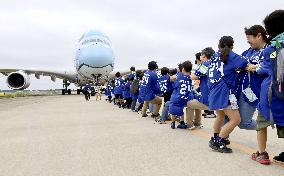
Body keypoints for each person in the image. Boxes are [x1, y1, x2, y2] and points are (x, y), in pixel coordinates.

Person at [208, 36, 256, 153]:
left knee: (220, 116)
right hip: (225, 93)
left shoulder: (214, 57)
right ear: (232, 46)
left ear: (219, 45)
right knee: (236, 119)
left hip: (214, 92)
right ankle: (219, 141)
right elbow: (244, 62)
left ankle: (215, 137)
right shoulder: (231, 56)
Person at [251, 10, 284, 165]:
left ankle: (262, 153)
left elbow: (266, 68)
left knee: (261, 123)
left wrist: (254, 68)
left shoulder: (271, 49)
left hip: (271, 93)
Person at [187, 48, 215, 130]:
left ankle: (189, 124)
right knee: (197, 101)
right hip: (217, 97)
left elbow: (194, 77)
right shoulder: (215, 64)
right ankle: (197, 123)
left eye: (201, 56)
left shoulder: (206, 64)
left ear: (203, 56)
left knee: (189, 104)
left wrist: (184, 75)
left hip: (209, 100)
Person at [169, 61, 194, 129]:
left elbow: (174, 85)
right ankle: (182, 122)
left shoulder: (178, 77)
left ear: (182, 69)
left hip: (178, 97)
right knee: (181, 107)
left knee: (174, 107)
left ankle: (173, 122)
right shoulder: (191, 78)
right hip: (188, 98)